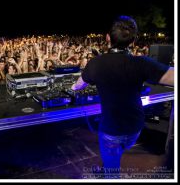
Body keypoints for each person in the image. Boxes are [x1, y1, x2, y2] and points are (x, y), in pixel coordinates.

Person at [71, 15, 174, 178]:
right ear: (133, 42)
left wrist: (74, 86)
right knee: (118, 152)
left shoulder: (96, 63)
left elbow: (78, 85)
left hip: (111, 129)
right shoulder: (142, 63)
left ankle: (110, 171)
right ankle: (110, 165)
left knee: (113, 170)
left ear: (107, 38)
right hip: (135, 127)